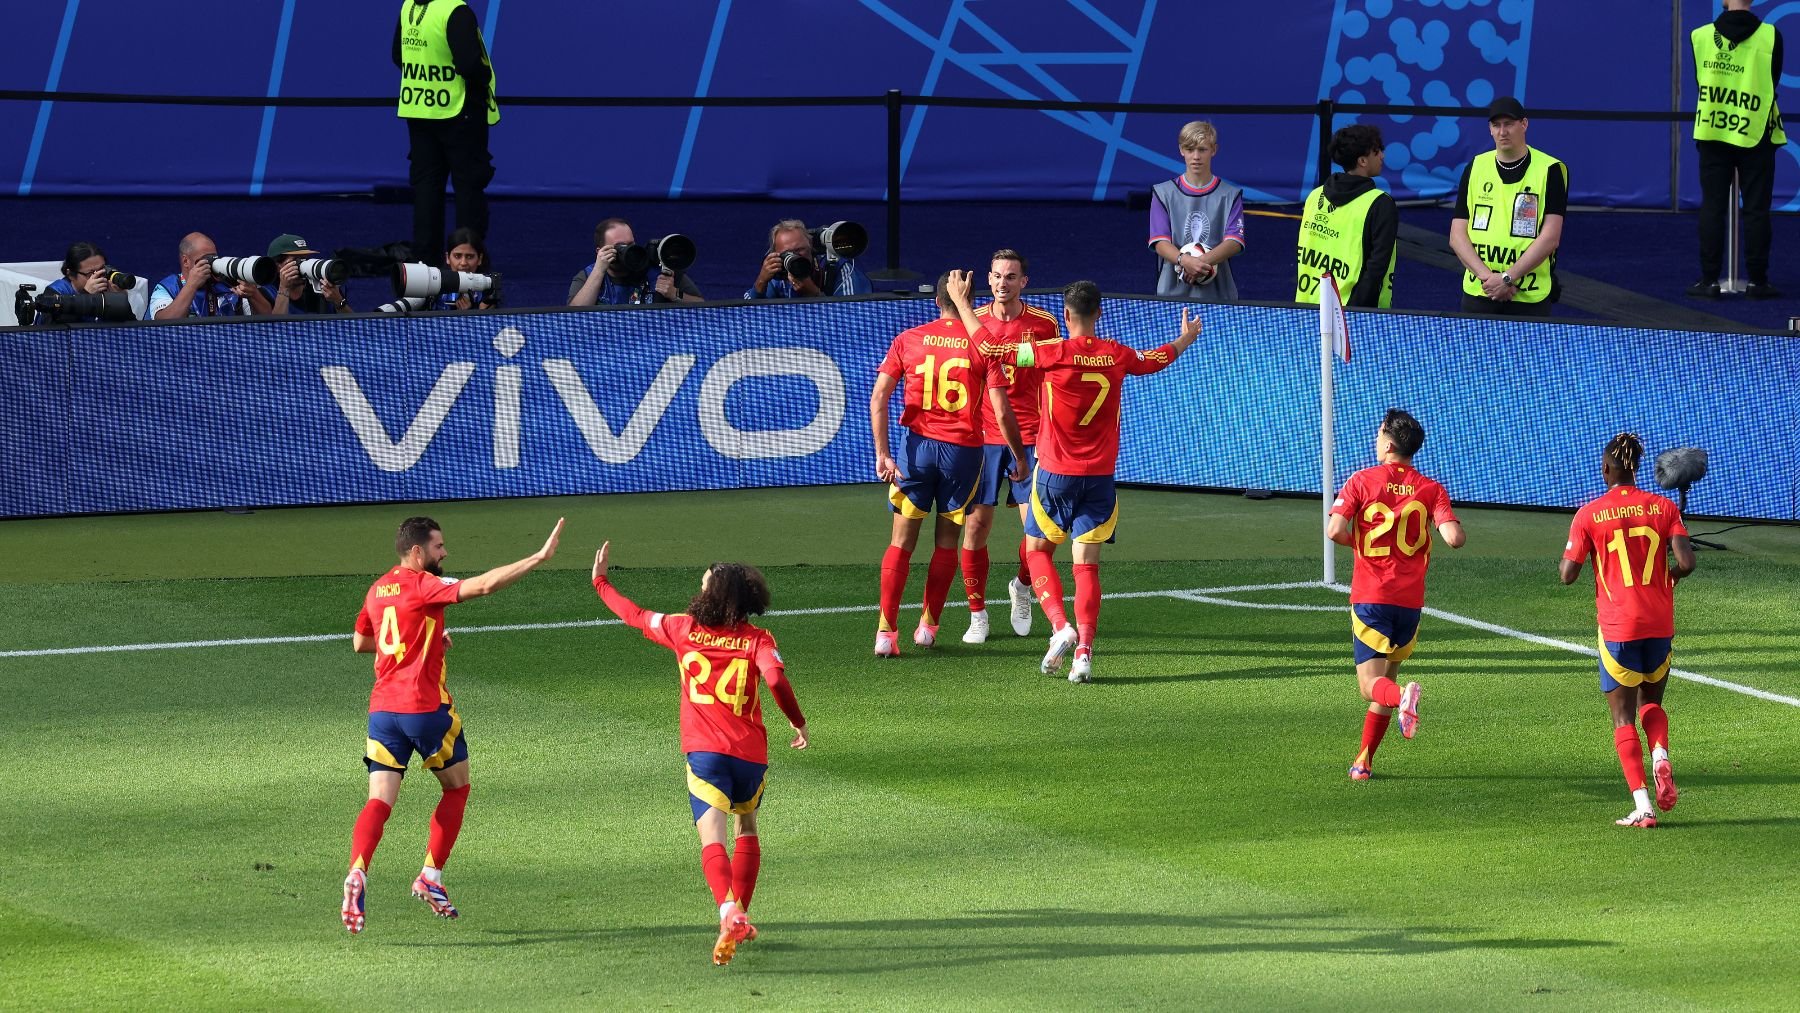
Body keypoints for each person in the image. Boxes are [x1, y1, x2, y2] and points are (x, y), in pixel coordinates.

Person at [341, 515, 565, 934]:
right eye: (439, 547)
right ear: (417, 552)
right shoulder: (423, 584)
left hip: (382, 712)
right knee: (457, 787)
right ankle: (430, 875)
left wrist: (419, 640)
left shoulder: (377, 589)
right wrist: (538, 557)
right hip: (424, 710)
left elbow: (361, 642)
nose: (444, 553)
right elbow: (482, 585)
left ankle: (358, 870)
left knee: (379, 801)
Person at [590, 541, 808, 966]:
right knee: (747, 826)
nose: (699, 586)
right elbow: (777, 681)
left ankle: (728, 911)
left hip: (706, 755)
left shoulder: (682, 628)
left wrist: (600, 582)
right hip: (750, 756)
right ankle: (738, 914)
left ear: (714, 595)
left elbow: (634, 615)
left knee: (713, 840)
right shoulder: (758, 639)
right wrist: (797, 722)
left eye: (705, 583)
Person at [971, 281, 1201, 683]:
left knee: (1038, 550)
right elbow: (1157, 359)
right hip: (1100, 478)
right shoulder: (1117, 354)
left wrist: (960, 301)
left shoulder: (1050, 352)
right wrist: (1187, 336)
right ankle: (1084, 654)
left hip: (1057, 474)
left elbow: (991, 349)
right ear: (1100, 313)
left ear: (1065, 315)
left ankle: (1060, 625)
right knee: (1087, 565)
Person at [871, 269, 1027, 657]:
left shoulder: (909, 339)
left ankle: (886, 634)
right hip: (962, 454)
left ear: (935, 301)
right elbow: (1003, 412)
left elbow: (878, 398)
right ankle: (928, 626)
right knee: (946, 543)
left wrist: (883, 452)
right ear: (971, 300)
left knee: (901, 543)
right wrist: (1020, 456)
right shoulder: (982, 346)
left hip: (916, 450)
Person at [1559, 433, 1695, 829]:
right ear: (1637, 468)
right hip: (1659, 623)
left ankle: (1643, 806)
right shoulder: (1665, 506)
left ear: (1606, 469)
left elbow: (1567, 575)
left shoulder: (1589, 513)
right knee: (1651, 701)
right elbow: (1686, 564)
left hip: (1619, 626)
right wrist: (1661, 579)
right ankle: (1661, 757)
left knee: (1622, 718)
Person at [1325, 409, 1465, 781]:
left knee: (1372, 686)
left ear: (1387, 443)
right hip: (1410, 604)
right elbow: (1454, 538)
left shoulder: (1361, 481)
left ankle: (1403, 697)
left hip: (1372, 597)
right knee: (1387, 676)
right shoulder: (1432, 489)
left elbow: (1335, 530)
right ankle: (1364, 761)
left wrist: (1365, 544)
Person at [959, 249, 1062, 645]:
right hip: (984, 438)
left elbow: (1053, 373)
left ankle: (1021, 588)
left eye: (1011, 276)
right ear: (989, 279)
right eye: (998, 276)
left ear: (1024, 282)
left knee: (1039, 534)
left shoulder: (1044, 323)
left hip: (1033, 436)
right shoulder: (975, 321)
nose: (1004, 283)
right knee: (976, 526)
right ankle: (977, 614)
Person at [1689, 0, 1786, 300]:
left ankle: (1709, 280)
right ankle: (1757, 281)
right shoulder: (1771, 36)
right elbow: (1773, 80)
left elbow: (1700, 80)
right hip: (1756, 132)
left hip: (1714, 131)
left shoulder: (1700, 36)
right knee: (1757, 209)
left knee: (1713, 207)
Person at [393, 0, 497, 268]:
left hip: (419, 110)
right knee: (468, 188)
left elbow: (397, 56)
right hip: (458, 111)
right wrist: (484, 75)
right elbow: (469, 64)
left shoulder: (409, 7)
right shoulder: (455, 11)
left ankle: (426, 261)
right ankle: (470, 258)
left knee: (426, 189)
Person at [1448, 97, 1566, 317]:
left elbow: (1551, 237)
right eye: (1496, 125)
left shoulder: (1550, 170)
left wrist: (1507, 278)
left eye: (1509, 124)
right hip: (1481, 292)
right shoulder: (1476, 167)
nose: (1503, 131)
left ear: (1524, 124)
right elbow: (1457, 235)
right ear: (1490, 129)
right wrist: (1490, 280)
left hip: (1529, 296)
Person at [1295, 124, 1399, 309]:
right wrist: (1355, 311)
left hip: (1309, 308)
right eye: (1377, 152)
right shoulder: (1380, 203)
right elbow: (1376, 267)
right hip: (1356, 315)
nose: (1382, 156)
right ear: (1363, 161)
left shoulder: (1315, 196)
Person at [1148, 121, 1246, 302]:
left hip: (1219, 294)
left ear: (1214, 150)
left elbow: (1234, 242)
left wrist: (1198, 264)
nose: (1196, 156)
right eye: (1190, 149)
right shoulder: (1162, 193)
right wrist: (1185, 261)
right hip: (1172, 293)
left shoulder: (1230, 195)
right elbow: (1160, 242)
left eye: (1202, 149)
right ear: (1181, 150)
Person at [568, 218, 703, 306]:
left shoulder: (658, 269)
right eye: (620, 246)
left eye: (631, 244)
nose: (629, 250)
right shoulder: (588, 275)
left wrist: (674, 294)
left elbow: (702, 305)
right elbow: (573, 314)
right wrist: (599, 271)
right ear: (600, 251)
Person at [148, 232, 275, 320]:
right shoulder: (168, 287)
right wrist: (191, 285)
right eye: (205, 259)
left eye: (214, 258)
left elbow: (267, 319)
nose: (211, 264)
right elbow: (164, 324)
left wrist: (253, 294)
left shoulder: (226, 284)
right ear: (186, 261)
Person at [744, 219, 872, 299]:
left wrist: (814, 295)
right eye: (787, 254)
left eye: (800, 250)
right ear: (776, 254)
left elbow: (853, 317)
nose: (795, 257)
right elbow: (747, 318)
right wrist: (761, 282)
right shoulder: (778, 274)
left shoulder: (840, 270)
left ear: (811, 247)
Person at [45, 241, 134, 322]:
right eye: (90, 273)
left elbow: (133, 330)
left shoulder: (108, 290)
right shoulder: (55, 292)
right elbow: (55, 332)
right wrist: (86, 296)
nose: (98, 277)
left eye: (102, 270)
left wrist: (121, 302)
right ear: (70, 274)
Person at [263, 234, 351, 315]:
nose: (303, 263)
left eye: (305, 258)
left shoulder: (321, 282)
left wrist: (338, 300)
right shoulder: (267, 291)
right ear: (278, 266)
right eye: (297, 260)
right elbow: (276, 328)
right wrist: (284, 288)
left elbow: (352, 325)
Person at [442, 227, 500, 310]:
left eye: (469, 257)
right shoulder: (434, 287)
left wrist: (475, 312)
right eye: (457, 256)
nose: (463, 263)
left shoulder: (488, 290)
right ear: (447, 258)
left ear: (479, 259)